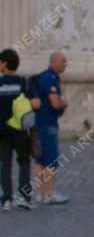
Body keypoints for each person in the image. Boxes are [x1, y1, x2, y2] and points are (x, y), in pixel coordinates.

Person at [31, 51, 68, 205]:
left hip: (37, 123)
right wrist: (64, 102)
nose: (66, 64)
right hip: (48, 124)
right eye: (63, 61)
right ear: (53, 62)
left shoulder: (41, 77)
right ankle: (50, 193)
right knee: (51, 160)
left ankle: (40, 194)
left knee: (39, 160)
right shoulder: (50, 78)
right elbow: (55, 103)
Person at [0, 48, 32, 211]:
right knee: (24, 162)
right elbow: (30, 103)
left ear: (4, 64)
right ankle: (24, 197)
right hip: (20, 129)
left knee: (5, 165)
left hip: (3, 131)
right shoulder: (23, 82)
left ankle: (7, 199)